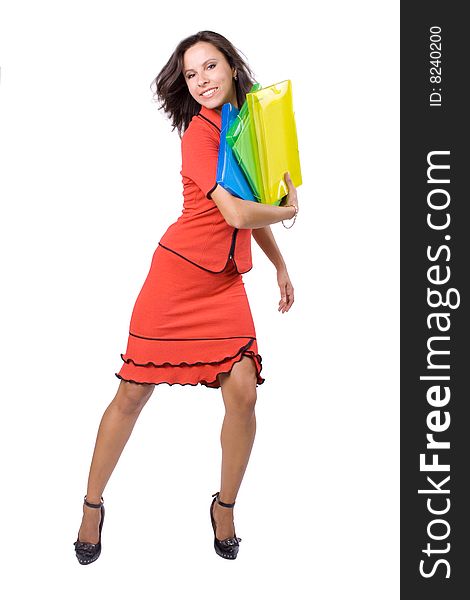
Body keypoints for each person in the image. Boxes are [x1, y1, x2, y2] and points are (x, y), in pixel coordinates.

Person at [73, 30, 299, 565]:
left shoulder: (248, 126)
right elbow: (239, 214)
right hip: (176, 279)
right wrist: (289, 211)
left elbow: (249, 205)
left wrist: (280, 263)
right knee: (132, 394)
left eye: (210, 66)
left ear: (232, 67)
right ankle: (91, 504)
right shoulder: (199, 135)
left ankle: (224, 506)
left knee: (244, 393)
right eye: (191, 73)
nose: (201, 80)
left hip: (224, 281)